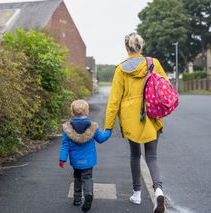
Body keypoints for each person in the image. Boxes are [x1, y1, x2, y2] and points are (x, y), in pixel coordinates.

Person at [105, 33, 167, 213]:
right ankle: (158, 190)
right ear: (140, 46)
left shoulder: (121, 69)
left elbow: (114, 101)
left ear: (127, 48)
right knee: (152, 157)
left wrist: (108, 126)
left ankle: (137, 193)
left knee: (135, 155)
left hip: (131, 118)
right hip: (152, 114)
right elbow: (165, 87)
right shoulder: (153, 63)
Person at [59, 99, 112, 212]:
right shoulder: (93, 127)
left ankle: (77, 198)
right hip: (88, 161)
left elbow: (65, 145)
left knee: (77, 178)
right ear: (87, 112)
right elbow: (101, 139)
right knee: (87, 178)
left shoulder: (68, 129)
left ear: (72, 113)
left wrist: (62, 159)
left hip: (75, 161)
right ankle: (88, 194)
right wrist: (108, 131)